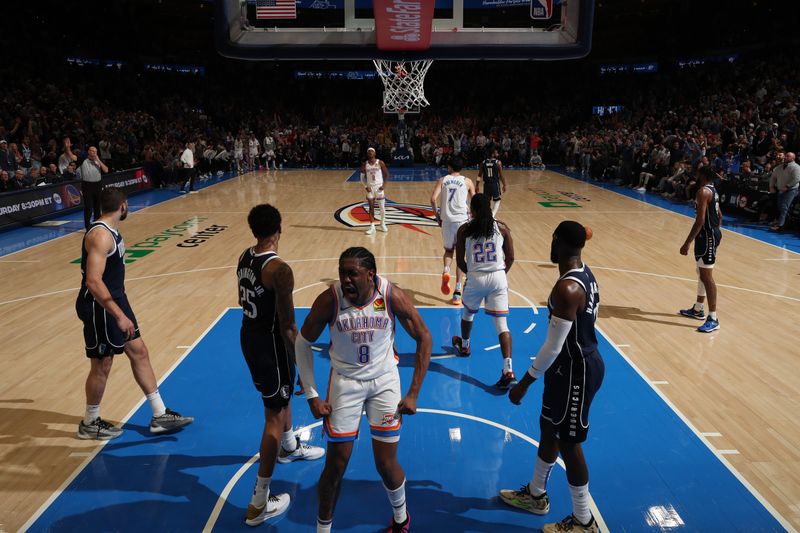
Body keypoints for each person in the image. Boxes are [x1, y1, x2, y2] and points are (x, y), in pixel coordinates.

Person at [295, 247, 431, 533]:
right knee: (335, 465)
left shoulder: (390, 295)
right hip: (346, 382)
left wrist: (413, 392)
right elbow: (301, 342)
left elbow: (424, 336)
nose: (345, 280)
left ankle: (401, 519)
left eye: (352, 274)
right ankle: (323, 529)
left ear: (370, 275)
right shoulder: (329, 300)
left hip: (384, 381)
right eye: (342, 273)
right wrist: (311, 394)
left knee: (386, 463)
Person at [499, 221, 603, 533]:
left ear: (557, 241)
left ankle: (584, 520)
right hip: (565, 368)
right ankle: (535, 494)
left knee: (569, 443)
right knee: (548, 428)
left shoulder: (568, 288)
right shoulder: (582, 274)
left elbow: (554, 345)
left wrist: (524, 384)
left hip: (577, 370)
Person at [75, 188, 193, 440]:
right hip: (100, 306)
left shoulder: (111, 231)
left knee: (139, 351)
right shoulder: (100, 235)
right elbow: (94, 282)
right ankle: (90, 421)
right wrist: (118, 314)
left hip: (116, 300)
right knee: (102, 363)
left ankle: (160, 414)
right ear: (124, 206)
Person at [237, 204, 325, 526]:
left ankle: (288, 447)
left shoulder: (245, 257)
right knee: (273, 415)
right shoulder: (280, 270)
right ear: (279, 230)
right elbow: (289, 327)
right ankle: (259, 502)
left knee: (279, 399)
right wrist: (303, 367)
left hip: (249, 337)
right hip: (270, 345)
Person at [452, 193, 517, 389]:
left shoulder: (464, 229)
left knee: (468, 313)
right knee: (502, 325)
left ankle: (464, 346)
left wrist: (472, 273)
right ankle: (508, 370)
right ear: (489, 207)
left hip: (476, 277)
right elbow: (511, 257)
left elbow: (460, 260)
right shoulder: (502, 227)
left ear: (471, 209)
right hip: (498, 277)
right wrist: (500, 273)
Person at [679, 165, 722, 333]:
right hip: (708, 235)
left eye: (698, 173)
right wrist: (716, 232)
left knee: (707, 275)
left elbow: (700, 220)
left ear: (703, 175)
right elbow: (720, 215)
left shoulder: (703, 191)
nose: (696, 175)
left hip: (707, 236)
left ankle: (713, 317)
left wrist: (687, 242)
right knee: (701, 271)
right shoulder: (713, 190)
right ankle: (698, 309)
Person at [431, 156, 475, 305]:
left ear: (449, 167)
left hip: (447, 221)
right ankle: (457, 292)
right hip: (462, 221)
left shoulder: (442, 180)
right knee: (461, 256)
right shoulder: (467, 181)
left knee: (449, 251)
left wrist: (437, 216)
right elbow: (474, 201)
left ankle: (445, 270)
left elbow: (432, 199)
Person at [361, 147, 390, 235]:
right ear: (367, 154)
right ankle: (372, 226)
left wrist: (384, 186)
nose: (370, 152)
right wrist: (366, 186)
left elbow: (386, 175)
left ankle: (382, 223)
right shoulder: (365, 164)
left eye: (372, 151)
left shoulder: (380, 162)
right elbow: (362, 178)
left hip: (379, 188)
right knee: (371, 207)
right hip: (370, 188)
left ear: (375, 153)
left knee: (382, 208)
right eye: (369, 151)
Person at [79, 146, 109, 230]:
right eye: (92, 151)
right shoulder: (83, 160)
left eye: (95, 151)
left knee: (97, 206)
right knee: (88, 206)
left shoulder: (98, 160)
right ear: (88, 151)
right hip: (87, 186)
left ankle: (97, 223)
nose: (94, 153)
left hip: (98, 185)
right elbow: (72, 157)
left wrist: (98, 161)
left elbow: (106, 170)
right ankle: (87, 226)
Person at [770, 151, 800, 231]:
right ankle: (786, 223)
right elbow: (773, 177)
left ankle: (780, 226)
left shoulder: (796, 167)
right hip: (781, 189)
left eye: (788, 156)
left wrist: (787, 186)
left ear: (793, 158)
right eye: (785, 156)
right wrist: (771, 186)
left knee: (784, 207)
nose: (785, 157)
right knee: (780, 206)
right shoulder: (780, 167)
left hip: (792, 190)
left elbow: (796, 179)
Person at [478, 149, 507, 216]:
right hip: (494, 184)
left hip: (486, 185)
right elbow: (501, 175)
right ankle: (492, 215)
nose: (498, 154)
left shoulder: (483, 162)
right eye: (496, 152)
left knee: (487, 201)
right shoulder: (498, 162)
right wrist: (504, 185)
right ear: (492, 154)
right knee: (497, 200)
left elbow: (479, 175)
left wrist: (477, 185)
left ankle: (486, 214)